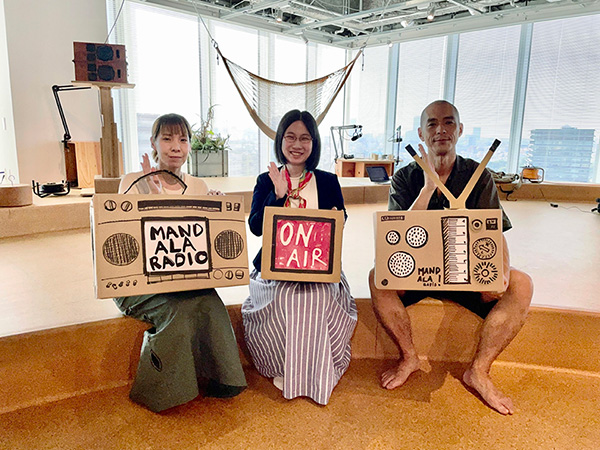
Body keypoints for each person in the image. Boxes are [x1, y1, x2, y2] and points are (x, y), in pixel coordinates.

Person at [369, 100, 533, 415]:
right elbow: (397, 236)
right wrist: (428, 189)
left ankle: (479, 371)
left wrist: (499, 274)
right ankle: (409, 357)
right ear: (421, 133)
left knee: (521, 284)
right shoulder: (404, 177)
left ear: (459, 130)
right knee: (378, 277)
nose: (440, 130)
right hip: (419, 272)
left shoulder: (478, 175)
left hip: (466, 272)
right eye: (432, 124)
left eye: (448, 123)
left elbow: (495, 231)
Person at [114, 113, 246, 412]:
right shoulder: (133, 181)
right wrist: (151, 200)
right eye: (167, 139)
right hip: (140, 282)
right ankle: (162, 392)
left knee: (211, 302)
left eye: (183, 139)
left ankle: (222, 379)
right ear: (153, 143)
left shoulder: (198, 185)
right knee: (177, 309)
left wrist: (218, 209)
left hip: (184, 279)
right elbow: (124, 241)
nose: (176, 146)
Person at [241, 109, 357, 405]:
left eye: (305, 138)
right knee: (286, 299)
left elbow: (340, 220)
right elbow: (255, 227)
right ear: (280, 140)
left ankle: (316, 372)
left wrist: (337, 217)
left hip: (318, 266)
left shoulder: (328, 181)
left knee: (317, 298)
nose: (297, 144)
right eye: (290, 137)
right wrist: (277, 195)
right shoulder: (266, 180)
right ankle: (283, 367)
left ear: (313, 143)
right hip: (274, 267)